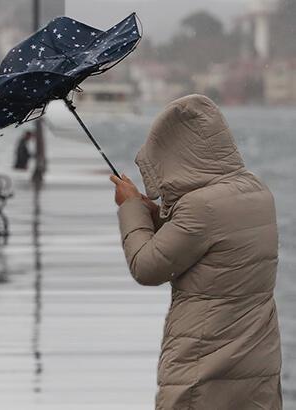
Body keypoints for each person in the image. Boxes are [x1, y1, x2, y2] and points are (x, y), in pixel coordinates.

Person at [110, 94, 282, 409]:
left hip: (205, 363)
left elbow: (147, 266)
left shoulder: (201, 207)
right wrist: (156, 214)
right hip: (255, 361)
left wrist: (132, 208)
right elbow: (211, 252)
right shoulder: (257, 191)